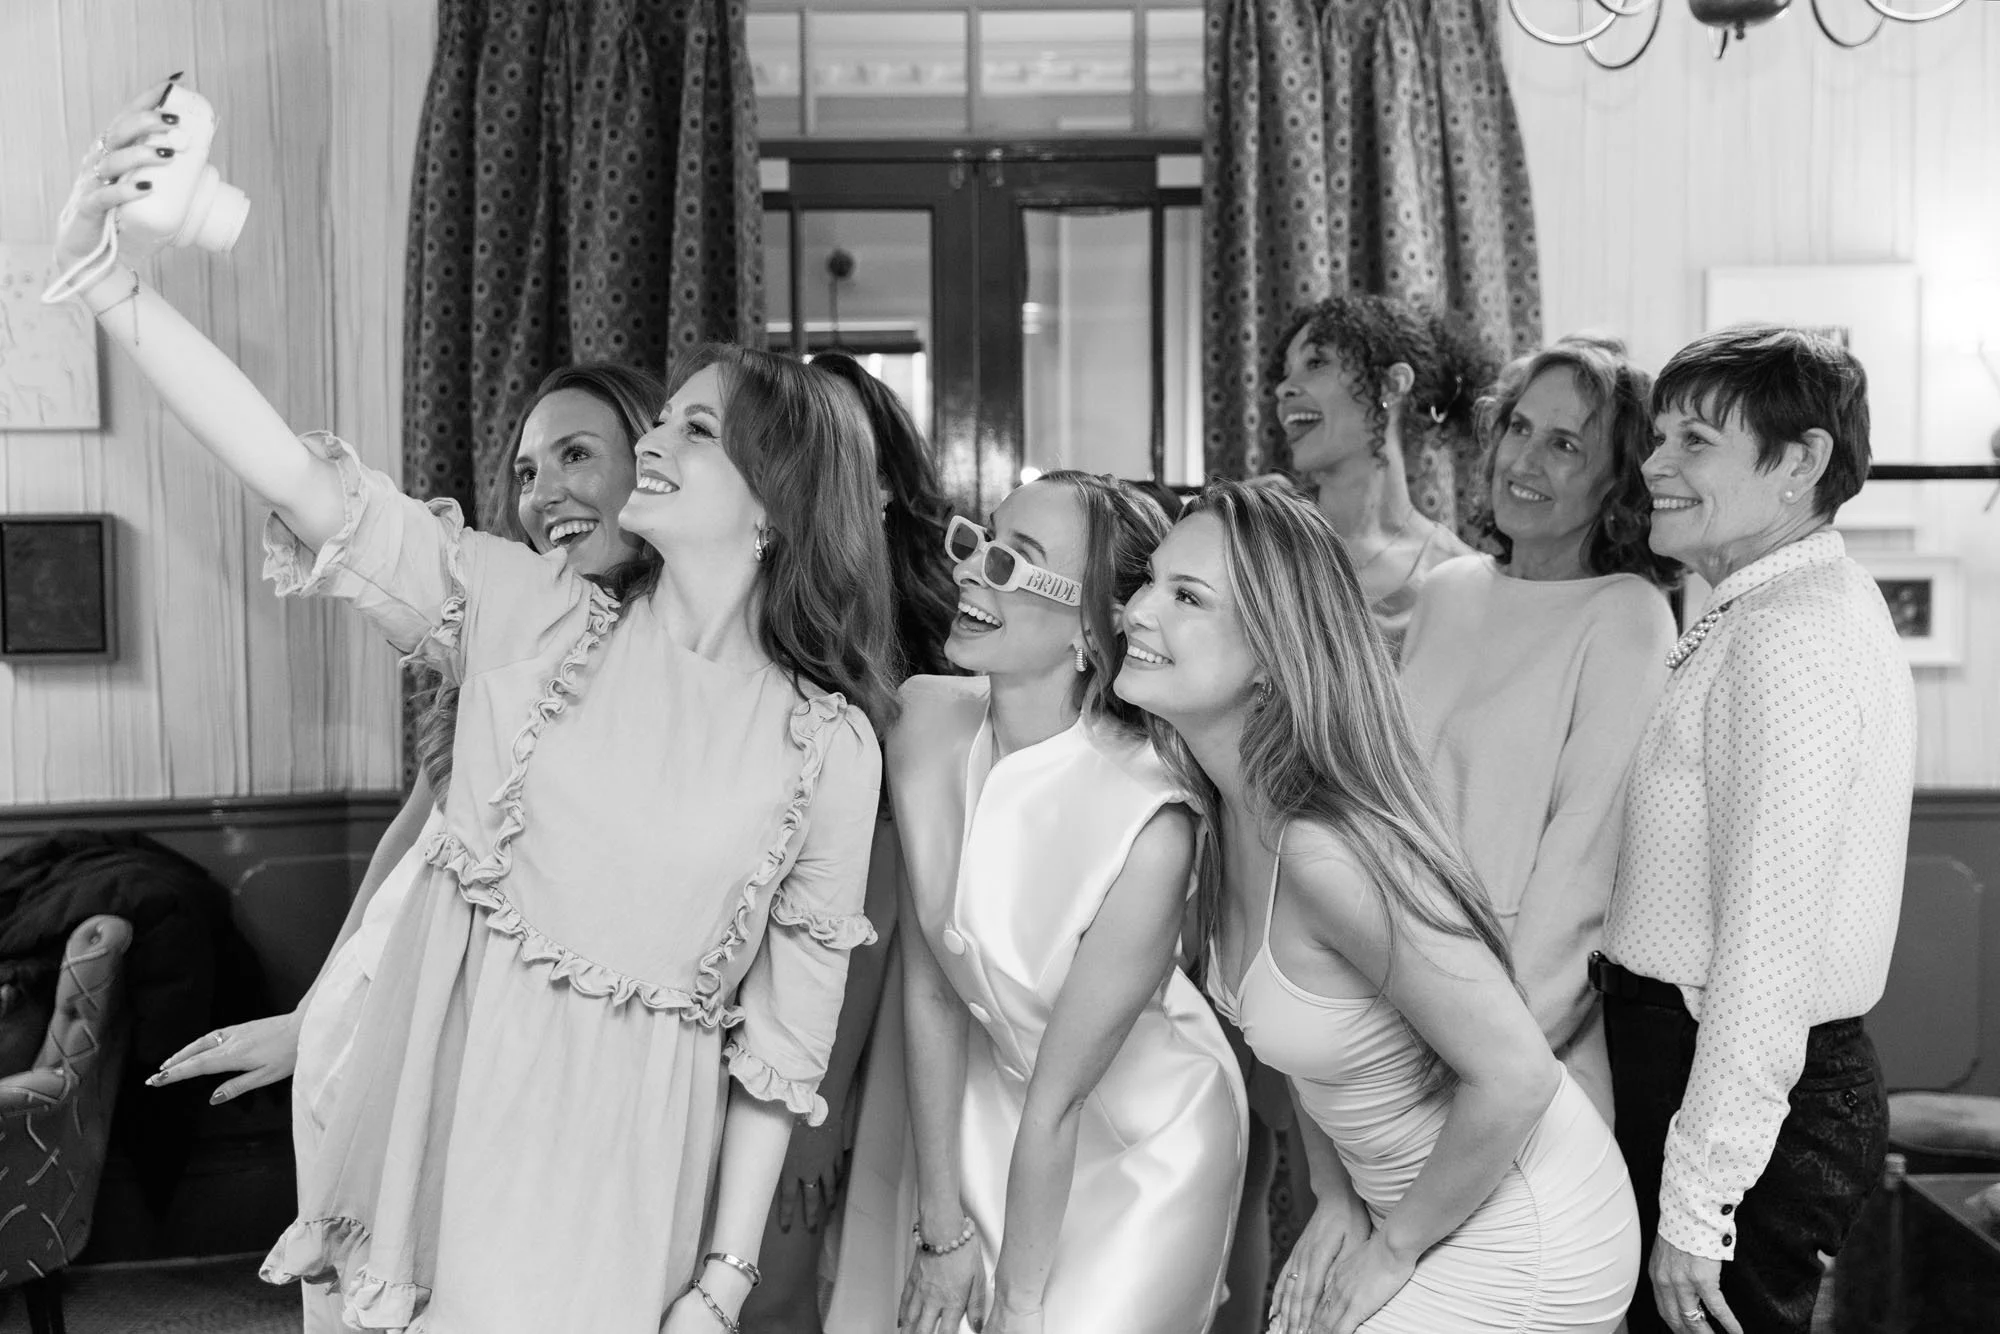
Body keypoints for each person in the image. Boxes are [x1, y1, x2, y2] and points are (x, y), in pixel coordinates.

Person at [59, 85, 898, 1334]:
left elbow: (781, 1056)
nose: (653, 439)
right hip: (449, 1130)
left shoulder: (828, 748)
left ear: (776, 500)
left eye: (695, 426)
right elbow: (300, 479)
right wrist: (107, 281)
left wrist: (720, 1284)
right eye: (662, 415)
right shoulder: (532, 613)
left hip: (627, 1184)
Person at [145, 361, 664, 1328]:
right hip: (383, 1019)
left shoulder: (693, 662)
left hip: (537, 1059)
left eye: (576, 455)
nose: (544, 493)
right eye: (525, 471)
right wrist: (316, 1012)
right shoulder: (504, 624)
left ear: (655, 465)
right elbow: (415, 839)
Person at [1118, 479, 1639, 1334]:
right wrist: (1334, 1196)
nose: (1138, 611)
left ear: (1273, 654)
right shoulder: (1225, 820)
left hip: (1527, 1227)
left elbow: (1518, 1075)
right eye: (1150, 582)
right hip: (1406, 1206)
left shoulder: (1325, 852)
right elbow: (1299, 1038)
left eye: (1187, 597)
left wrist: (1393, 1247)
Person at [1599, 325, 1914, 1334]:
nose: (1653, 464)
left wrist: (1700, 1206)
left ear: (1800, 462)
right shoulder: (1777, 607)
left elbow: (1766, 957)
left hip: (1740, 1104)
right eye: (1659, 437)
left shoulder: (1786, 635)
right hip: (1710, 1080)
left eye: (1693, 441)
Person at [892, 473, 1247, 1334]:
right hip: (990, 1115)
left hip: (1142, 1142)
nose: (971, 569)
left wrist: (1019, 1305)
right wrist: (941, 1227)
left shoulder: (1149, 818)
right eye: (979, 540)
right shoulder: (921, 723)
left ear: (1092, 629)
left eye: (1012, 561)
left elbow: (1061, 1099)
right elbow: (932, 987)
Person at [1399, 337, 1678, 1120]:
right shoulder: (1447, 591)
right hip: (1392, 1004)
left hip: (1515, 1052)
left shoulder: (1628, 617)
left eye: (1565, 445)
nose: (1523, 460)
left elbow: (1583, 874)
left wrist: (1484, 1057)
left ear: (1619, 483)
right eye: (1519, 428)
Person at [739, 351, 958, 1333]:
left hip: (865, 1035)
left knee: (784, 1280)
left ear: (879, 484)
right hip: (730, 1010)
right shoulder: (752, 614)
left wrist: (810, 1107)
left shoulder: (910, 658)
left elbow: (871, 901)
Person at [1272, 295, 1498, 654]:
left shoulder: (1463, 575)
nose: (1283, 388)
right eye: (1286, 372)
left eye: (1316, 362)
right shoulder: (1262, 538)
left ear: (1391, 385)